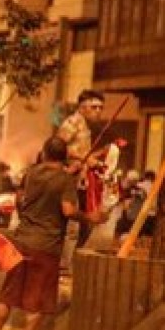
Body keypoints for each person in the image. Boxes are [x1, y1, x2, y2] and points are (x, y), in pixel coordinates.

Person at [0, 137, 102, 330]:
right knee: (36, 301)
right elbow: (68, 210)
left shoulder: (31, 173)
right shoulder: (65, 179)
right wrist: (89, 217)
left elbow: (22, 198)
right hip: (46, 246)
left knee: (7, 295)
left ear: (45, 153)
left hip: (21, 241)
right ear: (64, 156)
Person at [57, 89, 108, 248]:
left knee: (85, 225)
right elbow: (58, 147)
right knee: (73, 226)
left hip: (82, 181)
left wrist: (95, 160)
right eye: (94, 107)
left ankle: (73, 262)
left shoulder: (86, 126)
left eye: (100, 107)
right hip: (70, 178)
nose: (98, 111)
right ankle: (65, 267)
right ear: (82, 106)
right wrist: (84, 158)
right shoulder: (72, 123)